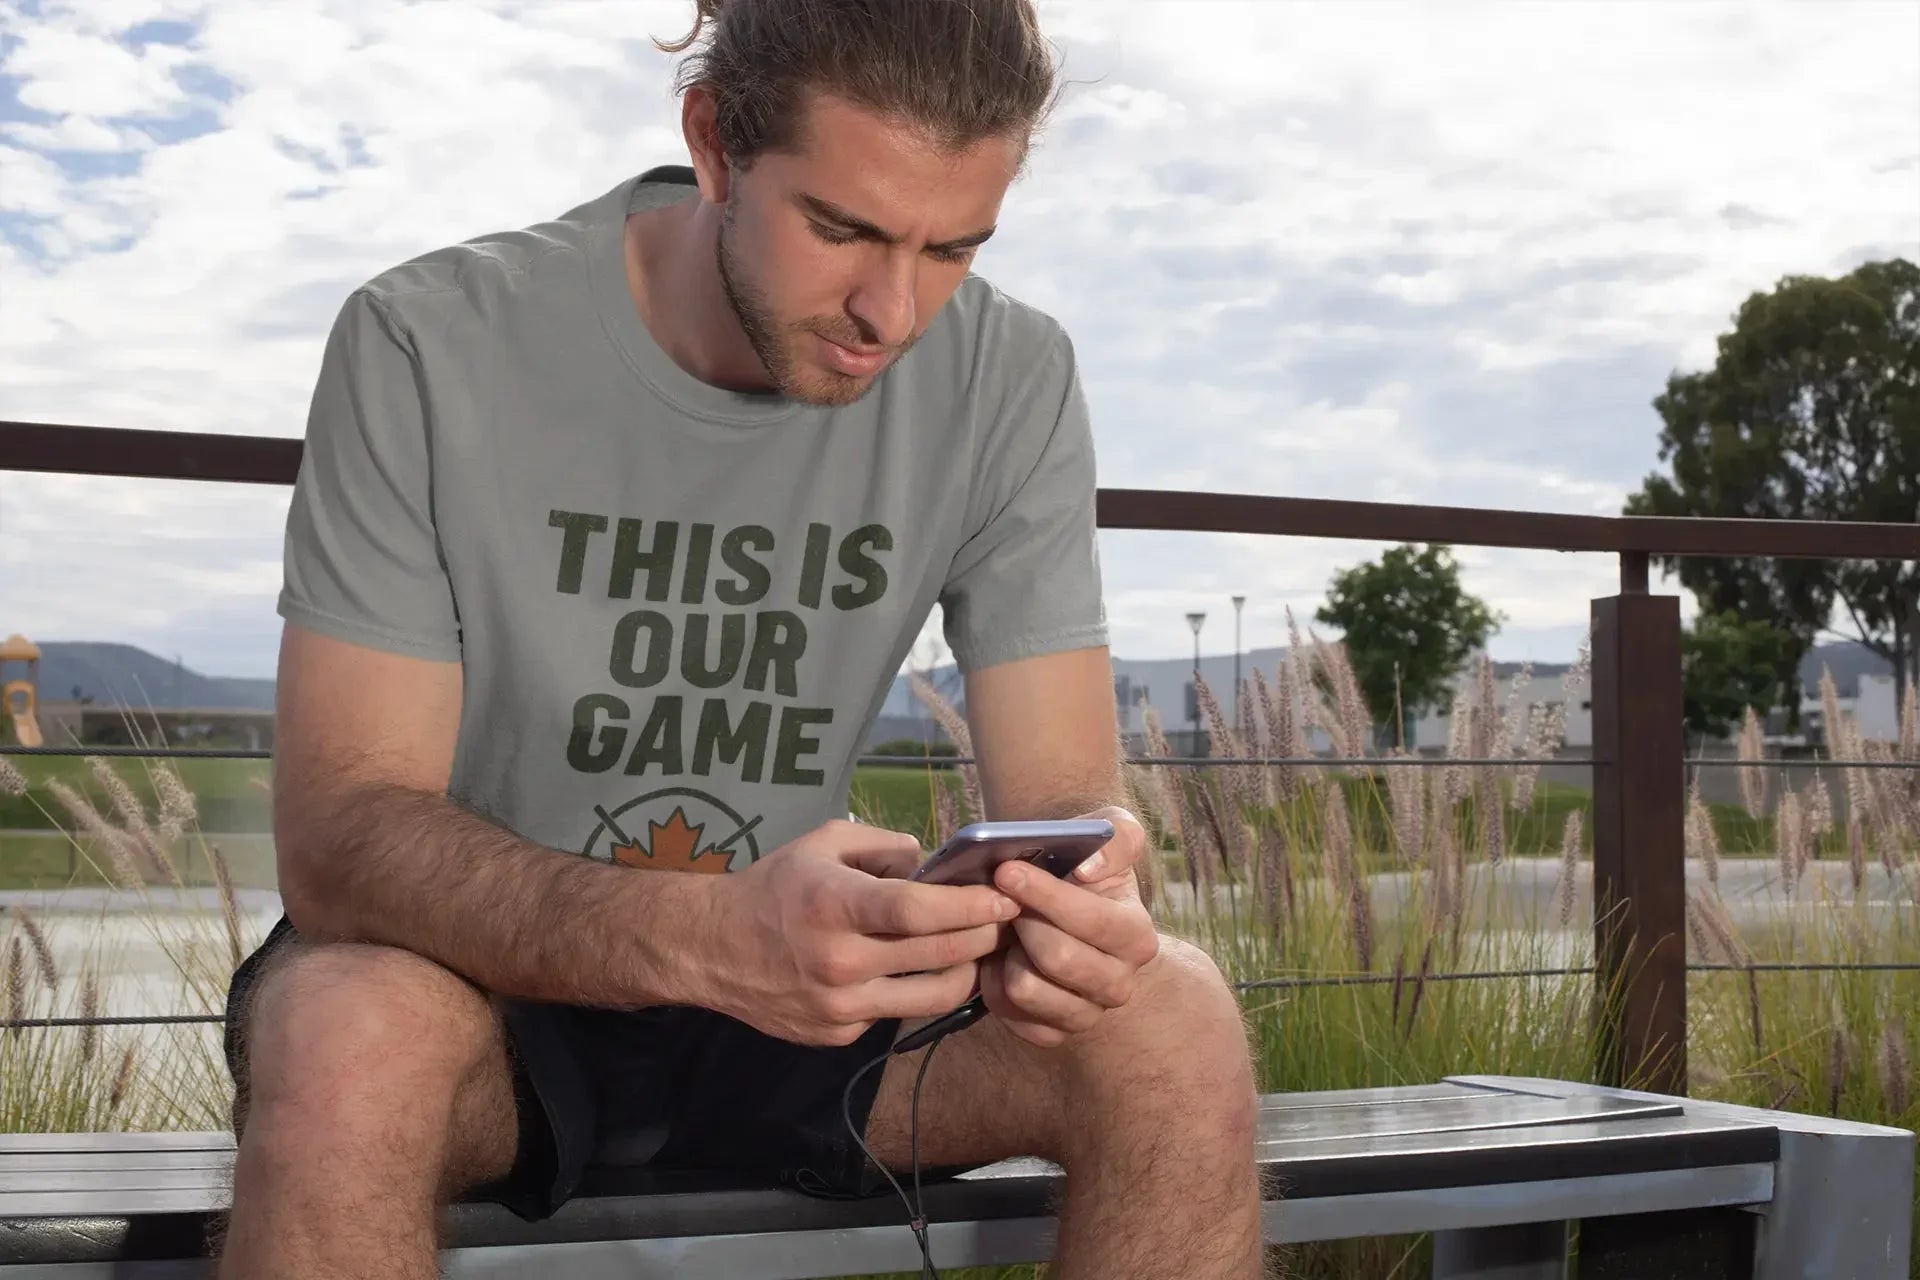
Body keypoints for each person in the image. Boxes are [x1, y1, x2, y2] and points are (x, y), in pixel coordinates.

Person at [214, 1, 1262, 1277]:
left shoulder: (1015, 376)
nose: (895, 311)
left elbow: (1065, 800)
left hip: (824, 1011)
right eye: (843, 228)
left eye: (954, 249)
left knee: (1177, 1017)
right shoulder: (427, 339)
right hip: (487, 1001)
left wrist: (1087, 891)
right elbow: (340, 840)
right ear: (713, 143)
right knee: (346, 1030)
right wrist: (713, 935)